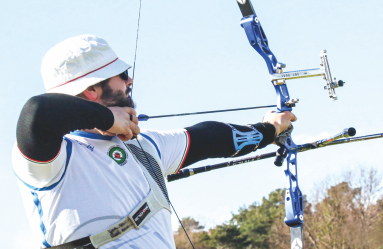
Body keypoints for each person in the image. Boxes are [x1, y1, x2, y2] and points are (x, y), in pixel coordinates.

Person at [12, 34, 296, 249]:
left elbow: (210, 138)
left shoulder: (146, 147)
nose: (130, 81)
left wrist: (269, 129)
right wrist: (107, 119)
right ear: (93, 91)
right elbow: (37, 114)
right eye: (122, 76)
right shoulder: (53, 160)